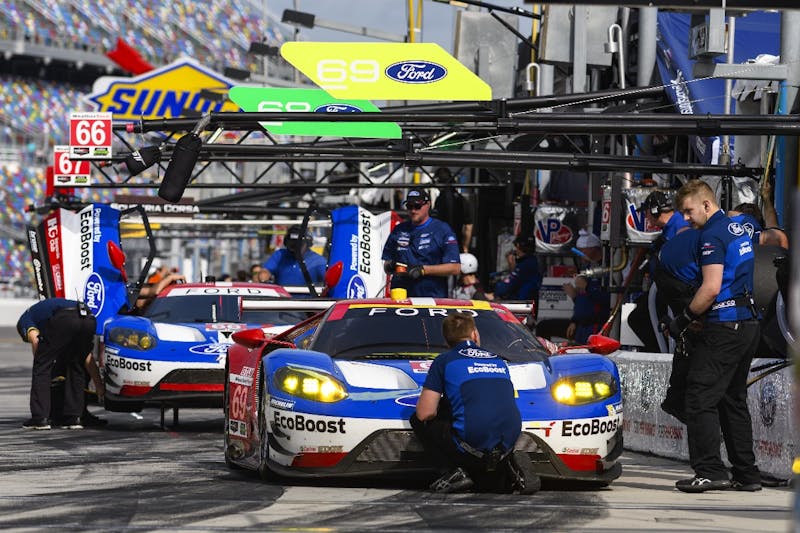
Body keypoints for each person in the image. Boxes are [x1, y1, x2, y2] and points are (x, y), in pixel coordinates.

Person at [668, 179, 761, 493]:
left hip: (725, 325)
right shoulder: (738, 228)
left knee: (699, 397)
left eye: (689, 211)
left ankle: (710, 470)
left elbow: (710, 288)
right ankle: (746, 474)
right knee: (732, 400)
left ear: (706, 204)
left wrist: (683, 319)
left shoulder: (712, 235)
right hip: (747, 322)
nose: (686, 218)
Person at [410, 313, 539, 494]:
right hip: (509, 439)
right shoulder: (498, 360)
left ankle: (451, 473)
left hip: (471, 445)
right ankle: (510, 465)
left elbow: (425, 413)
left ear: (447, 340)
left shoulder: (444, 361)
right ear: (475, 334)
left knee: (418, 418)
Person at [16, 298, 98, 430]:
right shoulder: (44, 311)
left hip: (65, 318)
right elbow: (87, 357)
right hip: (89, 318)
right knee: (77, 363)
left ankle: (40, 418)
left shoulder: (24, 321)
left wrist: (47, 367)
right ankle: (74, 417)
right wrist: (99, 385)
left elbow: (36, 342)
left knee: (41, 365)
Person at [382, 187, 461, 297]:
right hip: (401, 296)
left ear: (428, 205)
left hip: (431, 297)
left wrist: (423, 270)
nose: (413, 210)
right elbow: (386, 263)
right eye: (409, 206)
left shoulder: (442, 229)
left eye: (417, 206)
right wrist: (392, 266)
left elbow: (455, 268)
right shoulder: (399, 230)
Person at [262, 225, 327, 288]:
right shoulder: (280, 255)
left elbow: (328, 280)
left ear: (307, 244)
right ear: (286, 243)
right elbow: (265, 272)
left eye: (299, 244)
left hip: (307, 298)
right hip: (283, 298)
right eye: (292, 244)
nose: (296, 248)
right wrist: (264, 276)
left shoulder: (318, 261)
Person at [493, 234, 541, 301]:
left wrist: (495, 292)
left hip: (521, 304)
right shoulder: (533, 261)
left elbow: (506, 287)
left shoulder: (524, 265)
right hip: (527, 301)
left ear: (518, 246)